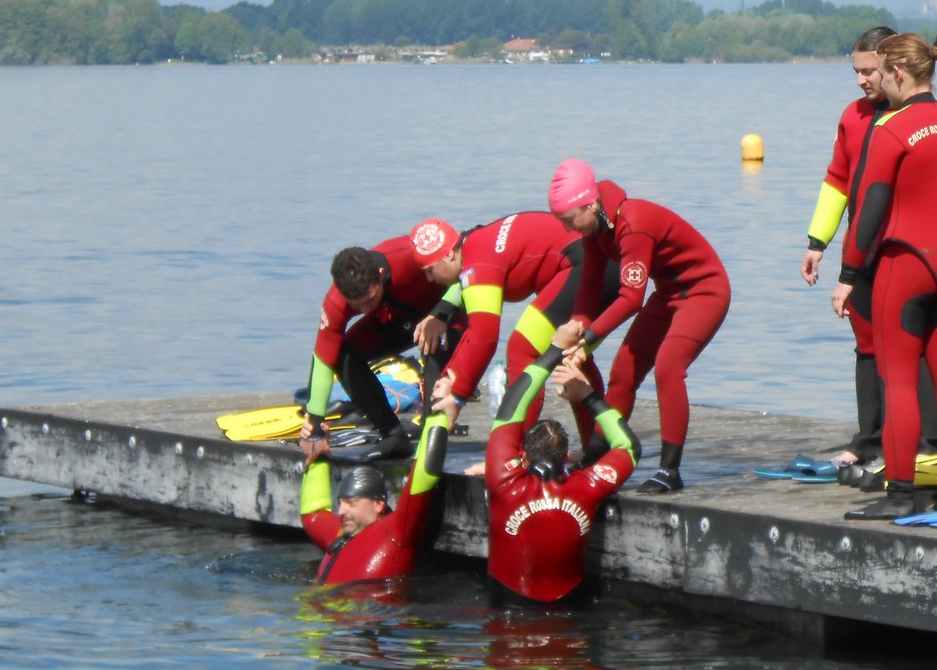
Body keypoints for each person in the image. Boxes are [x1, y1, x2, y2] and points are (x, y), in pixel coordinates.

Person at [836, 33, 937, 520]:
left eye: (881, 74)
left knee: (899, 380)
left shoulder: (890, 128)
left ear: (899, 74)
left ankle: (901, 493)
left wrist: (848, 272)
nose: (878, 82)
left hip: (905, 266)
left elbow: (871, 205)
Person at [548, 160, 731, 494]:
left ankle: (669, 471)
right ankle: (596, 455)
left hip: (706, 290)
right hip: (669, 293)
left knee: (668, 367)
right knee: (624, 372)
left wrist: (587, 341)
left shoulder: (632, 224)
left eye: (569, 220)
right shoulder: (596, 226)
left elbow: (631, 298)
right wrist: (578, 324)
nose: (568, 230)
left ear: (590, 205)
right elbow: (589, 285)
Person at [801, 25, 895, 466]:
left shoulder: (915, 115)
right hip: (860, 248)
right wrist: (818, 240)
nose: (861, 80)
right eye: (856, 71)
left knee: (904, 347)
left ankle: (907, 440)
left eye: (868, 71)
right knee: (866, 345)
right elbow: (838, 180)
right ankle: (868, 438)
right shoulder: (852, 116)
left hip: (904, 249)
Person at [482, 346, 640, 603]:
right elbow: (629, 446)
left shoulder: (503, 481)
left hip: (507, 617)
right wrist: (588, 395)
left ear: (524, 457)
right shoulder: (588, 486)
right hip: (570, 614)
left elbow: (511, 406)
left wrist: (555, 350)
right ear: (566, 456)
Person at [302, 219, 463, 459]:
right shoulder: (336, 300)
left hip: (446, 313)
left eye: (370, 300)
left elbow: (468, 267)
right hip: (397, 319)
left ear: (380, 275)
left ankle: (431, 433)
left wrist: (440, 314)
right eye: (358, 306)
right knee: (343, 355)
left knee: (432, 347)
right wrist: (314, 426)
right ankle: (392, 435)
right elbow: (324, 359)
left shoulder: (407, 255)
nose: (365, 310)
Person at [422, 211, 589, 440]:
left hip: (584, 263)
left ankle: (515, 453)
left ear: (449, 254)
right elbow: (475, 332)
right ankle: (595, 449)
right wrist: (451, 377)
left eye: (430, 270)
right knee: (572, 357)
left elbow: (485, 336)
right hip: (589, 258)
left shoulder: (476, 263)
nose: (430, 280)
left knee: (523, 351)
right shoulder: (476, 245)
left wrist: (458, 396)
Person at [297, 409, 451, 583]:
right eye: (340, 503)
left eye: (351, 503)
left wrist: (438, 414)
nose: (340, 511)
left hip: (371, 609)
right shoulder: (341, 534)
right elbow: (313, 514)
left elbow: (425, 476)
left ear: (378, 505)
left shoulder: (395, 534)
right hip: (327, 605)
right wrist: (317, 454)